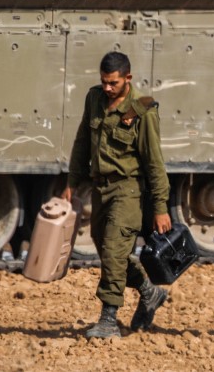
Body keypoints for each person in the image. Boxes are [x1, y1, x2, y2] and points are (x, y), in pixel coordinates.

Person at [62, 51, 172, 339]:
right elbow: (82, 142)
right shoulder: (94, 98)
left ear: (128, 78)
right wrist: (72, 182)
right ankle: (149, 292)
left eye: (113, 83)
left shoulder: (142, 110)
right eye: (104, 82)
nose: (107, 88)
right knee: (109, 250)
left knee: (113, 250)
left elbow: (155, 163)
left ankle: (108, 319)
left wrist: (160, 207)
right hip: (100, 189)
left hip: (128, 190)